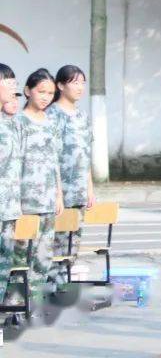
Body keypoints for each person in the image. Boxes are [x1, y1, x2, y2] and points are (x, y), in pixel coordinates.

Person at [8, 69, 62, 307]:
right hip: (25, 200)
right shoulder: (18, 122)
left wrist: (59, 194)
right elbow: (14, 162)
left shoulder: (51, 122)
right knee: (20, 255)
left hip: (48, 199)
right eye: (41, 91)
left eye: (50, 93)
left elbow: (55, 161)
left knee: (43, 254)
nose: (45, 97)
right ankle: (15, 304)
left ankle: (34, 302)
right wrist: (15, 200)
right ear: (28, 91)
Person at [46, 65, 94, 288]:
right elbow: (51, 157)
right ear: (61, 85)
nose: (80, 88)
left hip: (79, 190)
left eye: (82, 83)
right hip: (61, 190)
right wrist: (56, 192)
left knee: (74, 239)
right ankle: (52, 283)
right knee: (57, 239)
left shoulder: (83, 116)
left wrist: (90, 188)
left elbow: (86, 154)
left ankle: (66, 281)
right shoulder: (52, 114)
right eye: (74, 82)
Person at [0, 64, 22, 305]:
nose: (14, 86)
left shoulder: (8, 123)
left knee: (3, 268)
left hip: (8, 209)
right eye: (9, 81)